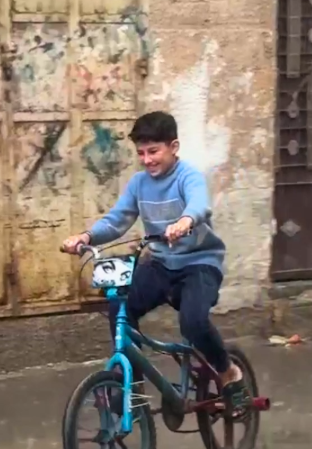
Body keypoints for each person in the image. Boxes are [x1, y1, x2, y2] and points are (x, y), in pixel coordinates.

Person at [61, 110, 249, 412]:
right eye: (141, 153)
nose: (147, 160)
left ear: (173, 147)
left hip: (199, 264)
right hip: (161, 264)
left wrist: (186, 221)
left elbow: (199, 203)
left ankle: (229, 372)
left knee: (194, 323)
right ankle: (131, 386)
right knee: (120, 306)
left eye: (154, 151)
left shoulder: (188, 177)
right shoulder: (139, 184)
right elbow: (117, 220)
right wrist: (86, 237)